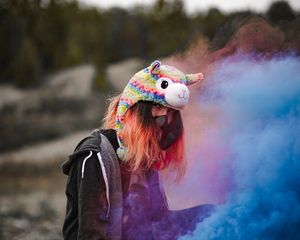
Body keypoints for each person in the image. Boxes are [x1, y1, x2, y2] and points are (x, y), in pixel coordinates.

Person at [62, 60, 211, 240]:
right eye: (157, 106)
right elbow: (91, 235)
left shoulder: (145, 157)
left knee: (209, 216)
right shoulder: (95, 157)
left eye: (171, 112)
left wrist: (209, 214)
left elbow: (159, 222)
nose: (165, 118)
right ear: (133, 110)